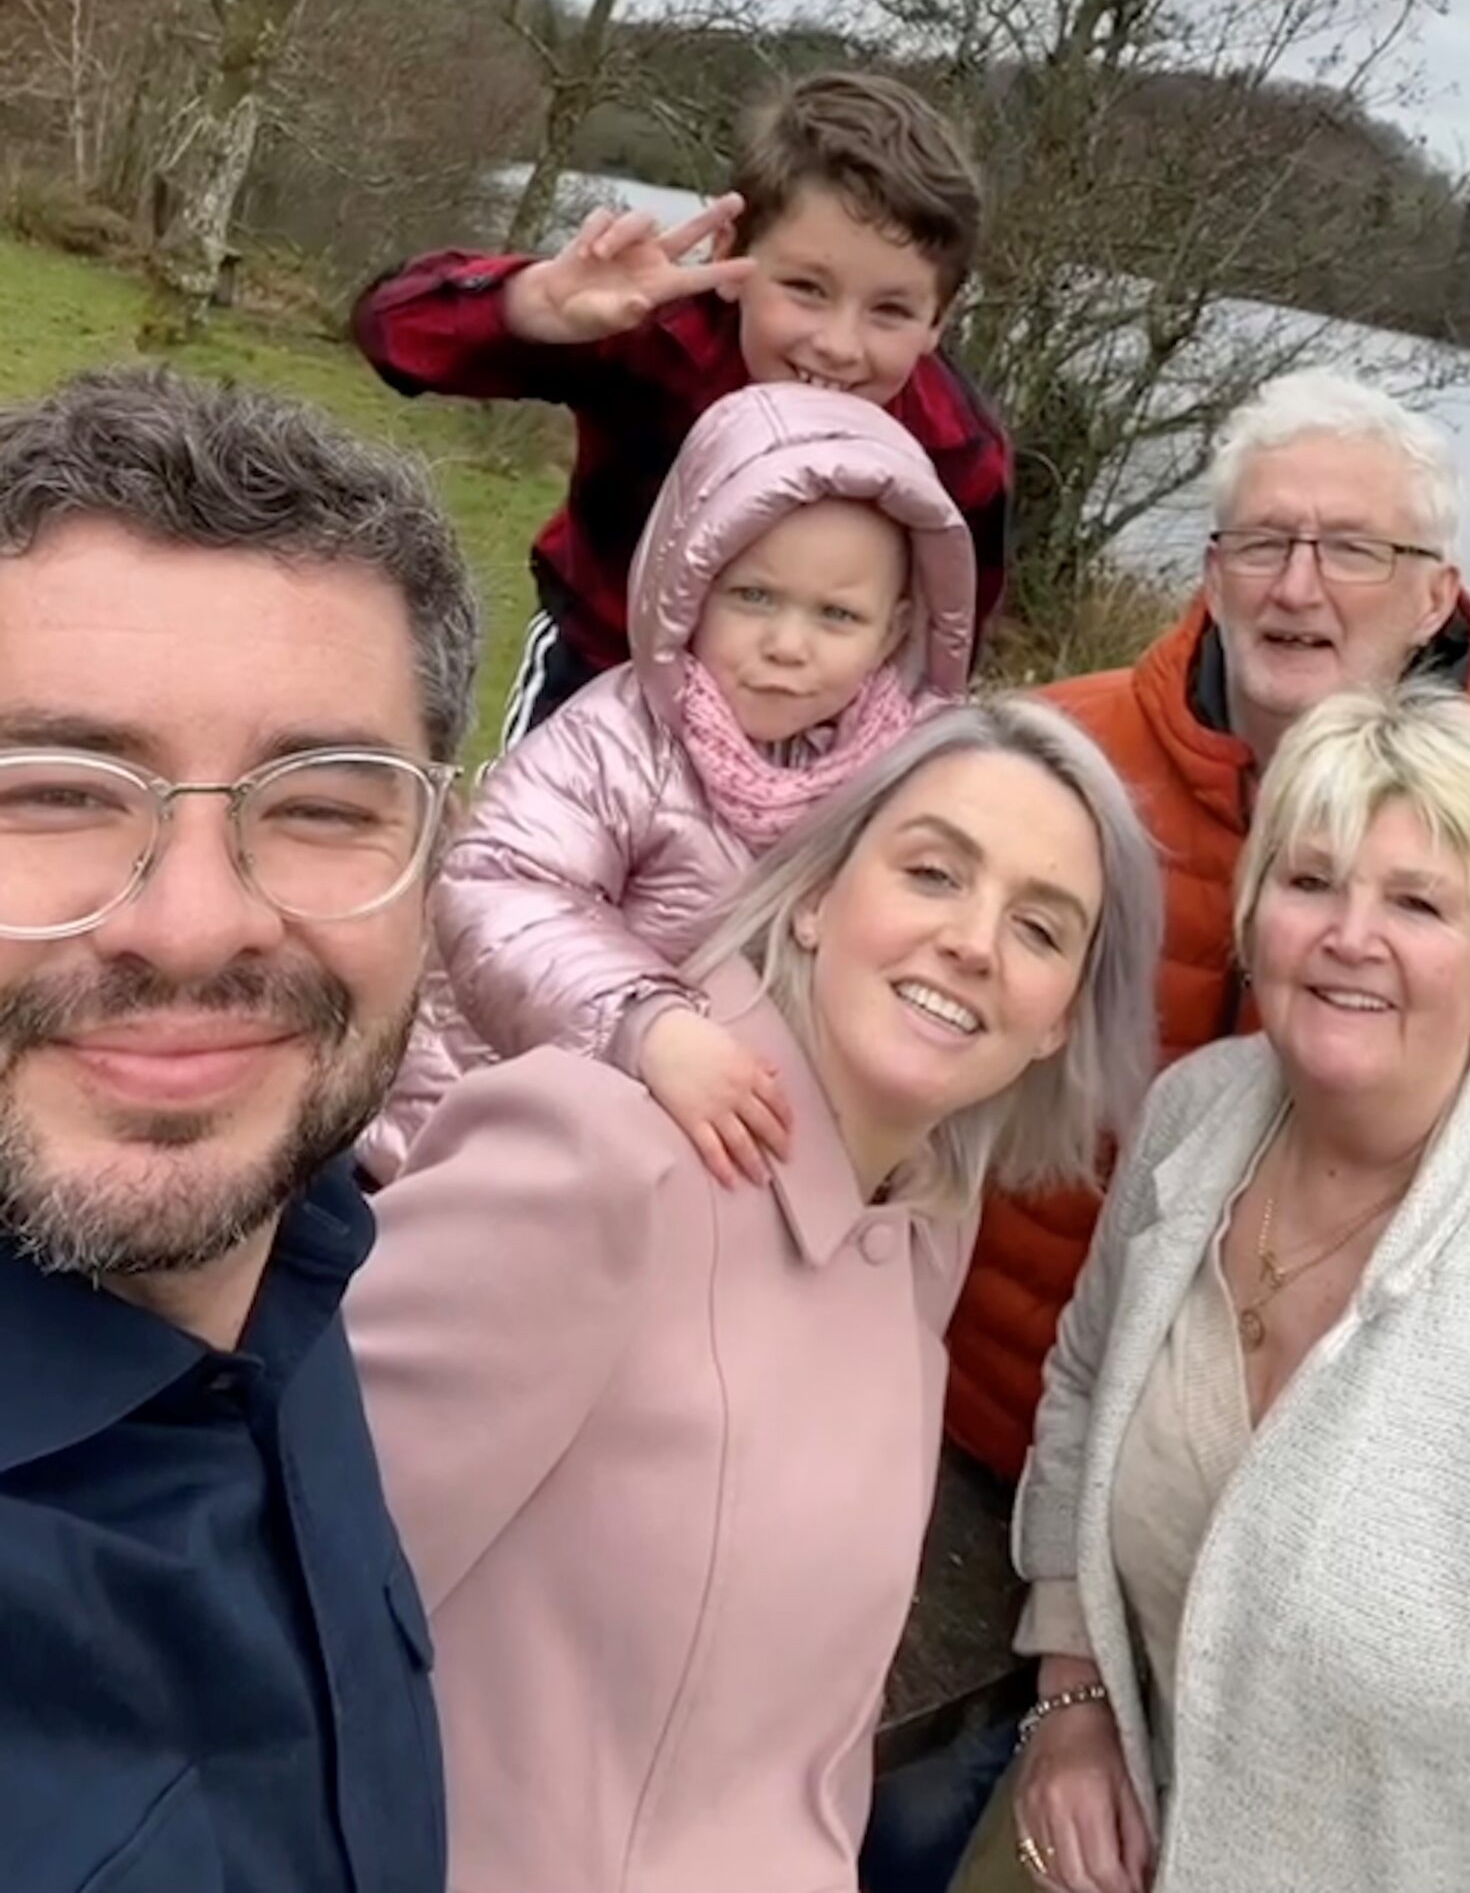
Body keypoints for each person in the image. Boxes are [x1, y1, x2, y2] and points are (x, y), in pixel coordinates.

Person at [344, 699, 1163, 1893]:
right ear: (819, 894)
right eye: (934, 872)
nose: (975, 941)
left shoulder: (920, 1234)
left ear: (1059, 1022)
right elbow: (282, 1608)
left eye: (1040, 927)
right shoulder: (602, 1159)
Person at [996, 684, 1470, 1893]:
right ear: (1255, 915)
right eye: (1310, 881)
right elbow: (1085, 1377)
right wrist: (1076, 1692)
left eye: (1418, 902)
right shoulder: (1190, 1122)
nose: (1349, 934)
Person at [947, 369, 1470, 1485]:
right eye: (1262, 542)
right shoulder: (1055, 760)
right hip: (974, 1407)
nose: (1298, 585)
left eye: (1354, 550)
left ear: (1435, 597)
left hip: (1277, 1495)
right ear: (1213, 573)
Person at [0, 365, 475, 1893]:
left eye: (324, 804)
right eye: (55, 791)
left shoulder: (293, 1248)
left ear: (435, 864)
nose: (194, 924)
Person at [358, 381, 977, 1188]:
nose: (789, 645)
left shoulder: (901, 774)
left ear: (894, 628)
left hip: (699, 1166)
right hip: (492, 1139)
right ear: (690, 588)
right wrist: (645, 1022)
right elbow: (494, 886)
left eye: (837, 616)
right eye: (754, 597)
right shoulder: (621, 741)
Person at [353, 68, 1012, 743]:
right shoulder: (654, 337)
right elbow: (391, 332)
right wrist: (533, 302)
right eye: (806, 288)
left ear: (939, 318)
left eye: (891, 310)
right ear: (728, 251)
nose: (840, 346)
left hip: (798, 716)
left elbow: (945, 647)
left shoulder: (954, 453)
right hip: (603, 668)